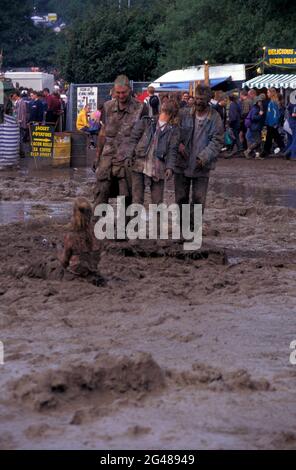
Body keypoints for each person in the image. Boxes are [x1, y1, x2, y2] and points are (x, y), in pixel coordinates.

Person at [13, 198, 104, 286]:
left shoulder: (71, 237)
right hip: (93, 272)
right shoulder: (97, 233)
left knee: (43, 266)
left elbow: (64, 263)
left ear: (75, 214)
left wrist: (59, 252)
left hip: (74, 276)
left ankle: (17, 270)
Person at [93, 75, 148, 216]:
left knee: (126, 196)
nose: (121, 95)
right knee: (101, 191)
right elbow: (103, 132)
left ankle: (123, 231)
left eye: (123, 92)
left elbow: (146, 135)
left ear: (129, 90)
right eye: (118, 93)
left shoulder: (141, 108)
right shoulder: (107, 107)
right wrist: (97, 156)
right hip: (108, 157)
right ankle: (97, 227)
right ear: (113, 91)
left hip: (128, 158)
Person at [175, 84, 224, 228]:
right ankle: (183, 228)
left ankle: (193, 229)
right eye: (196, 98)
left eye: (202, 99)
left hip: (202, 165)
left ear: (209, 99)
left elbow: (217, 140)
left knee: (198, 199)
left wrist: (204, 157)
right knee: (181, 198)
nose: (198, 102)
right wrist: (178, 144)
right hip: (182, 164)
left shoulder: (215, 118)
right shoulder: (183, 114)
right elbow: (173, 131)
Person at [127, 100, 179, 206]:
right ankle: (138, 222)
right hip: (140, 165)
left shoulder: (172, 130)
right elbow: (133, 139)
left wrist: (170, 167)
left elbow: (172, 151)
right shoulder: (147, 122)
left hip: (156, 168)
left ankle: (154, 222)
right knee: (141, 200)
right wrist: (128, 155)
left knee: (152, 202)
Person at [262, 88, 284, 157]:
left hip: (272, 123)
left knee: (273, 137)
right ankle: (266, 151)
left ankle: (265, 152)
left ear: (271, 93)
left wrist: (274, 122)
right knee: (272, 137)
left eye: (268, 93)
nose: (267, 94)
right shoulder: (271, 102)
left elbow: (276, 114)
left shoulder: (273, 102)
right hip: (270, 123)